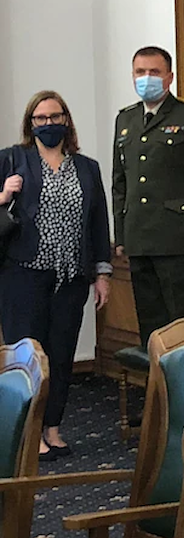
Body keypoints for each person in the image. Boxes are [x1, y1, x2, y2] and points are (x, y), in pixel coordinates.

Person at [0, 91, 112, 461]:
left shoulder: (86, 167)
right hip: (23, 276)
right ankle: (27, 433)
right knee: (27, 357)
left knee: (61, 355)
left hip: (71, 279)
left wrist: (102, 274)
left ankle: (52, 428)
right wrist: (3, 195)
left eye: (55, 117)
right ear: (30, 124)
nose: (48, 124)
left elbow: (98, 224)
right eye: (40, 118)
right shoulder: (12, 160)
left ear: (67, 119)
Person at [112, 46, 184, 347]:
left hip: (179, 241)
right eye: (140, 72)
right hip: (139, 239)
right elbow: (120, 183)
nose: (146, 78)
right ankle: (155, 391)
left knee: (182, 325)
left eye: (154, 72)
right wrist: (121, 235)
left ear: (169, 77)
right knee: (150, 324)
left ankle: (183, 391)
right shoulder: (126, 120)